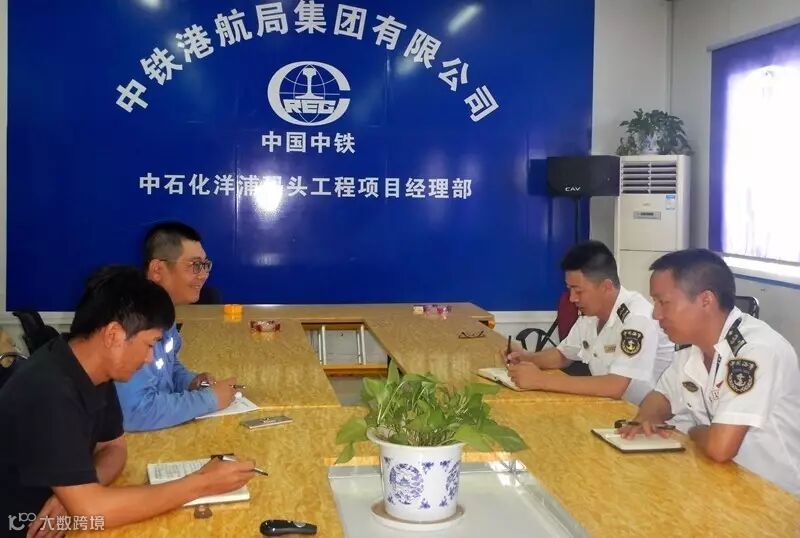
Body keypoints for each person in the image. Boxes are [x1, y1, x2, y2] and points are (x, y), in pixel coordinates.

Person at [0, 266, 254, 535]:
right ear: (113, 335)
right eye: (149, 344)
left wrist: (74, 495)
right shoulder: (51, 391)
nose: (150, 358)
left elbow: (114, 447)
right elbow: (93, 511)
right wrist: (201, 483)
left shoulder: (91, 369)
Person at [619, 249, 800, 495]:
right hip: (719, 482)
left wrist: (690, 429)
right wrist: (647, 419)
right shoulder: (692, 349)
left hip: (773, 497)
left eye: (664, 302)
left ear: (706, 300)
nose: (655, 314)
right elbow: (661, 397)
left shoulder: (755, 352)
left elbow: (720, 448)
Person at [505, 241, 673, 404]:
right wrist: (526, 358)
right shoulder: (590, 315)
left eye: (578, 291)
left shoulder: (637, 317)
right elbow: (563, 355)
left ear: (606, 287)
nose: (572, 298)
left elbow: (615, 386)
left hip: (644, 414)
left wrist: (540, 380)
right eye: (569, 289)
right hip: (610, 406)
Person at [115, 222, 236, 431]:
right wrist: (210, 399)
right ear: (157, 270)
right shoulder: (131, 320)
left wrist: (191, 382)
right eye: (194, 265)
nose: (203, 275)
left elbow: (167, 367)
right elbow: (136, 412)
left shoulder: (163, 311)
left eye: (205, 265)